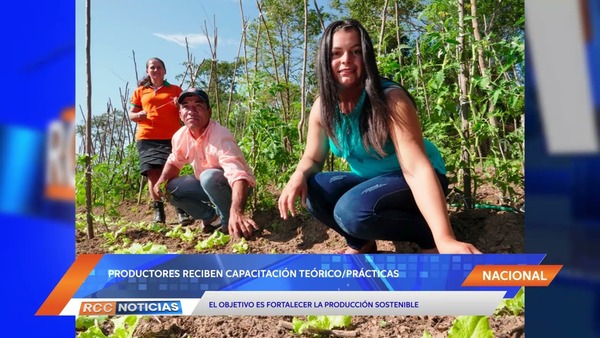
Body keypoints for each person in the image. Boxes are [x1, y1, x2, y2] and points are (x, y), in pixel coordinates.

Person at [278, 19, 481, 254]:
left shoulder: (391, 100)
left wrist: (446, 238)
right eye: (336, 53)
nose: (346, 60)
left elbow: (416, 169)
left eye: (356, 51)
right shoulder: (322, 108)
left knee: (351, 211)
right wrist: (297, 176)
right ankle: (361, 243)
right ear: (325, 60)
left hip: (416, 180)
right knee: (313, 189)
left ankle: (428, 237)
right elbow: (313, 159)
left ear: (366, 57)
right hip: (371, 184)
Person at [153, 88, 258, 239]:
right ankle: (211, 218)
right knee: (169, 188)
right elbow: (174, 162)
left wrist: (238, 212)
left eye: (198, 106)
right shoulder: (180, 136)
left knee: (209, 176)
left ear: (209, 112)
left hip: (236, 187)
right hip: (207, 186)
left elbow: (238, 176)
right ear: (180, 114)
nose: (191, 111)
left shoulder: (220, 135)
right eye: (186, 107)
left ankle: (230, 222)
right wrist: (161, 181)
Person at [129, 57, 193, 225]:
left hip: (170, 137)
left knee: (171, 175)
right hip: (146, 138)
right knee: (153, 175)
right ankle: (159, 213)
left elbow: (187, 110)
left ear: (164, 71)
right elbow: (131, 115)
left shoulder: (175, 90)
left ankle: (181, 210)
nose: (155, 70)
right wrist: (138, 115)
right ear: (147, 71)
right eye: (152, 67)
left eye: (159, 67)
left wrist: (178, 105)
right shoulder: (140, 91)